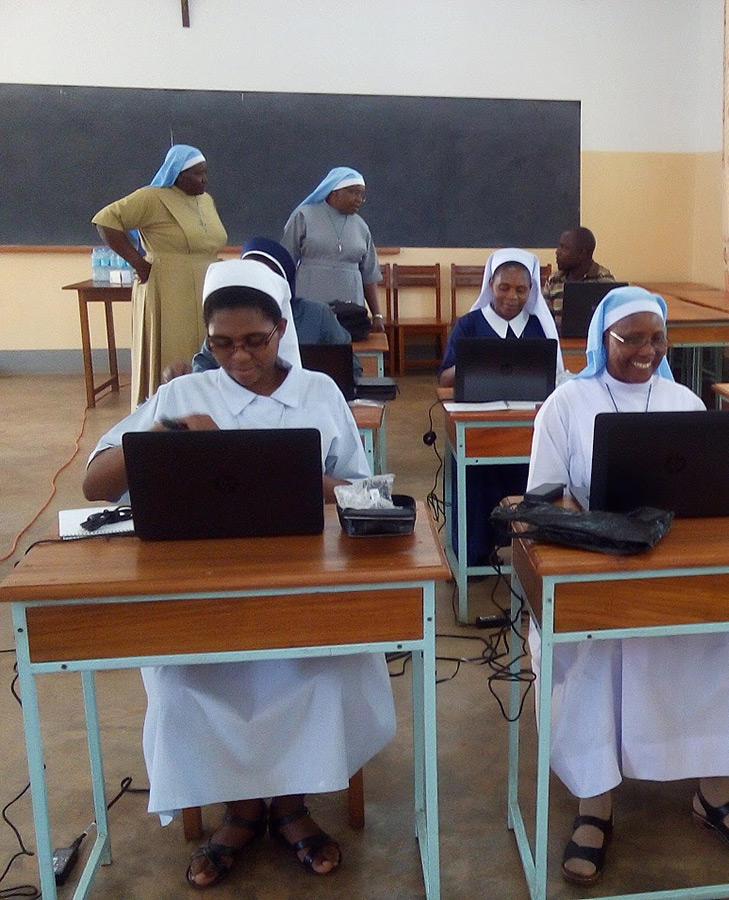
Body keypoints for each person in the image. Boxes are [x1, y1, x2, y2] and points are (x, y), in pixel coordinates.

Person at [82, 260, 395, 888]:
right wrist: (169, 433)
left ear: (281, 330)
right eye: (221, 344)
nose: (239, 356)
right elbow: (95, 485)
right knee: (182, 688)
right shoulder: (183, 395)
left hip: (304, 580)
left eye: (255, 340)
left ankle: (289, 808)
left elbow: (363, 491)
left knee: (320, 674)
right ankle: (242, 812)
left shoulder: (318, 394)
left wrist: (290, 474)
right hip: (201, 586)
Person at [525, 286, 729, 886]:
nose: (644, 349)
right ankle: (595, 802)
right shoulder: (566, 404)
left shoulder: (684, 400)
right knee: (602, 648)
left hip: (676, 568)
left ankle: (714, 792)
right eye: (629, 338)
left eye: (655, 338)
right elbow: (542, 497)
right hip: (600, 571)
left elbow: (711, 486)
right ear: (601, 340)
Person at [438, 248, 564, 567]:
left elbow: (555, 376)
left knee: (534, 481)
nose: (512, 296)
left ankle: (528, 554)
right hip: (481, 426)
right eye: (504, 287)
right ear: (490, 285)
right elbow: (445, 377)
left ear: (531, 291)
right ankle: (475, 554)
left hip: (527, 426)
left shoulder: (539, 328)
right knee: (477, 483)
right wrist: (473, 360)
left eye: (521, 289)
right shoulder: (469, 325)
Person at [93, 145, 227, 408]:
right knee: (175, 352)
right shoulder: (152, 197)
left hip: (207, 285)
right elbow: (106, 221)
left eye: (205, 173)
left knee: (208, 350)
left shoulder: (206, 201)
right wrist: (136, 261)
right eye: (198, 174)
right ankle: (166, 413)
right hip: (168, 287)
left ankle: (208, 411)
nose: (205, 180)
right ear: (178, 175)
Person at [176, 237, 359, 379]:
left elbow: (351, 367)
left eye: (255, 341)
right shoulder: (230, 320)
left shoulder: (317, 315)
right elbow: (203, 365)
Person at [282, 167, 385, 330]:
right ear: (334, 192)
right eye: (353, 192)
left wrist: (377, 315)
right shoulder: (303, 216)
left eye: (361, 194)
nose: (359, 199)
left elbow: (369, 275)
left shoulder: (361, 226)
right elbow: (285, 263)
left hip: (351, 312)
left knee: (346, 352)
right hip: (310, 306)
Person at [542, 226, 615, 316]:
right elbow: (544, 320)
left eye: (564, 248)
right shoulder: (554, 280)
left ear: (582, 253)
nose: (557, 252)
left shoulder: (604, 281)